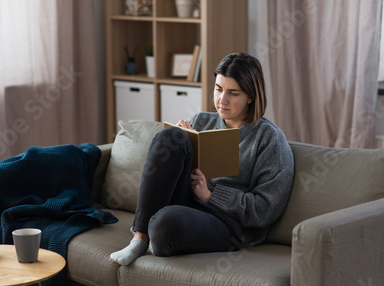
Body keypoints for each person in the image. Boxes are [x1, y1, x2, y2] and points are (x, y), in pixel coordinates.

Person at [110, 52, 294, 266]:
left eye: (233, 93)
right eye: (218, 89)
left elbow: (265, 209)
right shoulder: (202, 121)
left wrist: (210, 196)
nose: (221, 100)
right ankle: (140, 238)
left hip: (225, 226)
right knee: (171, 137)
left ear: (251, 97)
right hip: (187, 204)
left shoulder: (269, 139)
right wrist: (179, 140)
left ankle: (158, 235)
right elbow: (164, 169)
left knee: (163, 224)